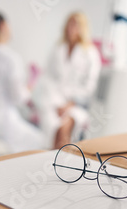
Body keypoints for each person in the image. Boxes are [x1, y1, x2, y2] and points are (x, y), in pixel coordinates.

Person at [0, 12, 44, 153]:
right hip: (2, 124)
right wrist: (32, 82)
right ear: (3, 26)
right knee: (41, 141)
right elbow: (19, 99)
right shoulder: (10, 58)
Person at [33, 12, 101, 149]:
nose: (71, 27)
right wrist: (56, 103)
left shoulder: (90, 53)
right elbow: (48, 79)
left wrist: (69, 104)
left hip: (76, 105)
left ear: (83, 28)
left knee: (64, 129)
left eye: (75, 24)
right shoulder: (57, 49)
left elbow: (90, 87)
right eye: (69, 23)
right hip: (53, 102)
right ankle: (49, 164)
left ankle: (59, 166)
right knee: (52, 131)